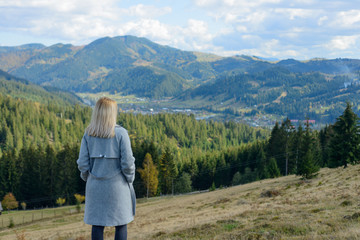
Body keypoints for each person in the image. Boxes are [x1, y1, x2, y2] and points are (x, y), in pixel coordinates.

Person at [77, 97, 136, 240]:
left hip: (95, 187)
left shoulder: (88, 134)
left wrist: (90, 179)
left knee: (97, 225)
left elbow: (82, 164)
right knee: (121, 224)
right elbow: (128, 163)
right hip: (118, 187)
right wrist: (129, 179)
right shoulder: (121, 133)